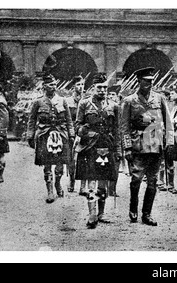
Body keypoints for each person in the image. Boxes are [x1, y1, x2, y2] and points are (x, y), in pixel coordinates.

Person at [120, 67, 174, 226]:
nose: (149, 84)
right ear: (138, 81)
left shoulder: (159, 98)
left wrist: (169, 142)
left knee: (153, 181)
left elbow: (168, 122)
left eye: (151, 81)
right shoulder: (130, 100)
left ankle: (147, 213)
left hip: (156, 145)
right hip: (138, 144)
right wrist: (127, 147)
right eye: (146, 81)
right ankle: (133, 208)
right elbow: (124, 126)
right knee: (136, 180)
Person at [75, 73, 122, 229]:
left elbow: (117, 130)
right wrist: (86, 132)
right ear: (93, 88)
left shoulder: (114, 106)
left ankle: (101, 213)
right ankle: (92, 214)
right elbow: (77, 126)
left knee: (103, 182)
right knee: (91, 180)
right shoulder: (84, 104)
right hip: (90, 147)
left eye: (104, 88)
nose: (102, 90)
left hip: (107, 147)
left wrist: (118, 150)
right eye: (99, 88)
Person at [26, 74, 75, 203]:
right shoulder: (38, 102)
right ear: (44, 86)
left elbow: (69, 121)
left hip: (61, 134)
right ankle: (50, 192)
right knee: (47, 164)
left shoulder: (63, 101)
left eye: (54, 84)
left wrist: (71, 135)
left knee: (60, 164)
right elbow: (31, 120)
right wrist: (30, 136)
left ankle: (58, 184)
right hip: (44, 134)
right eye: (50, 84)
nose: (53, 87)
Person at [64, 75, 85, 193]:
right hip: (71, 132)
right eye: (78, 85)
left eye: (82, 84)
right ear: (73, 87)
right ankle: (72, 180)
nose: (81, 87)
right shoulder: (68, 101)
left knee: (83, 158)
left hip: (82, 131)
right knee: (71, 158)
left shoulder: (87, 100)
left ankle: (82, 185)